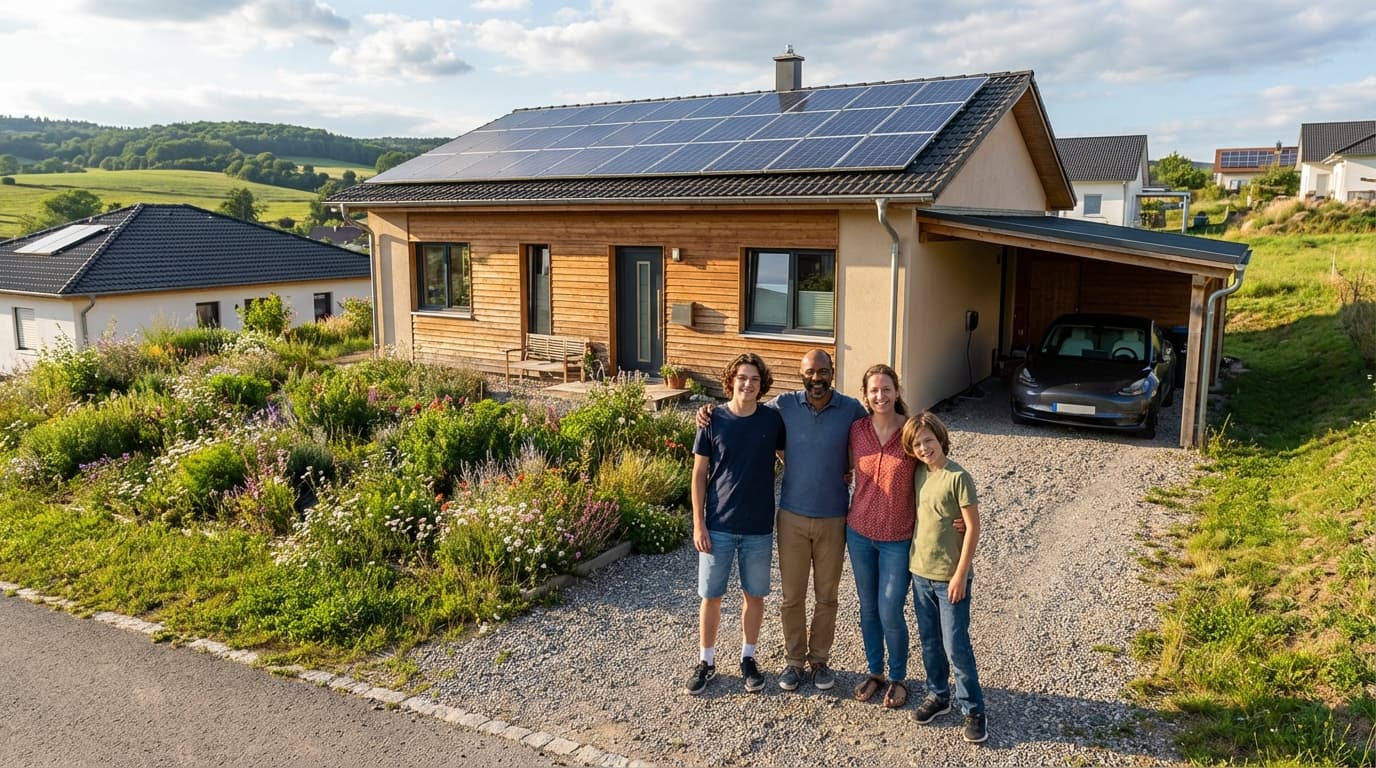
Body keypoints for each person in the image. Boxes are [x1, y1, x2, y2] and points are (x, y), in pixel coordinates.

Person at [697, 349, 866, 692]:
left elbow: (877, 432)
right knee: (791, 596)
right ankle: (792, 661)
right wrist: (706, 411)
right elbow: (743, 413)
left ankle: (819, 660)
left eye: (822, 371)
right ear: (800, 374)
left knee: (827, 596)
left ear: (832, 371)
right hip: (790, 515)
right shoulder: (783, 407)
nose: (815, 378)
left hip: (833, 515)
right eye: (809, 372)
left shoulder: (851, 409)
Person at [685, 353, 787, 696]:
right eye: (742, 378)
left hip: (758, 527)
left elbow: (792, 462)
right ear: (731, 381)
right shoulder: (713, 420)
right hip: (718, 526)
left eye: (755, 379)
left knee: (754, 595)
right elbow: (699, 474)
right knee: (711, 595)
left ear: (762, 385)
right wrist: (699, 524)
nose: (748, 384)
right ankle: (706, 661)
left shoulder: (772, 421)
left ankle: (748, 658)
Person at [902, 410, 988, 744]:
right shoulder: (920, 474)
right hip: (920, 573)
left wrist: (960, 575)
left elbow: (973, 527)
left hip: (950, 578)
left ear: (940, 439)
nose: (924, 448)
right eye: (917, 444)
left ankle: (974, 709)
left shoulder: (958, 477)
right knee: (930, 642)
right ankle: (938, 694)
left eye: (928, 441)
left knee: (956, 646)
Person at [846, 363, 918, 710]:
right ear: (866, 394)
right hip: (858, 532)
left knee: (890, 608)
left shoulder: (911, 431)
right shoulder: (856, 430)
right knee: (868, 608)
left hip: (897, 537)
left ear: (897, 391)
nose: (880, 395)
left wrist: (955, 516)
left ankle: (899, 676)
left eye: (886, 389)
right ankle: (876, 672)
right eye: (874, 390)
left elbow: (936, 473)